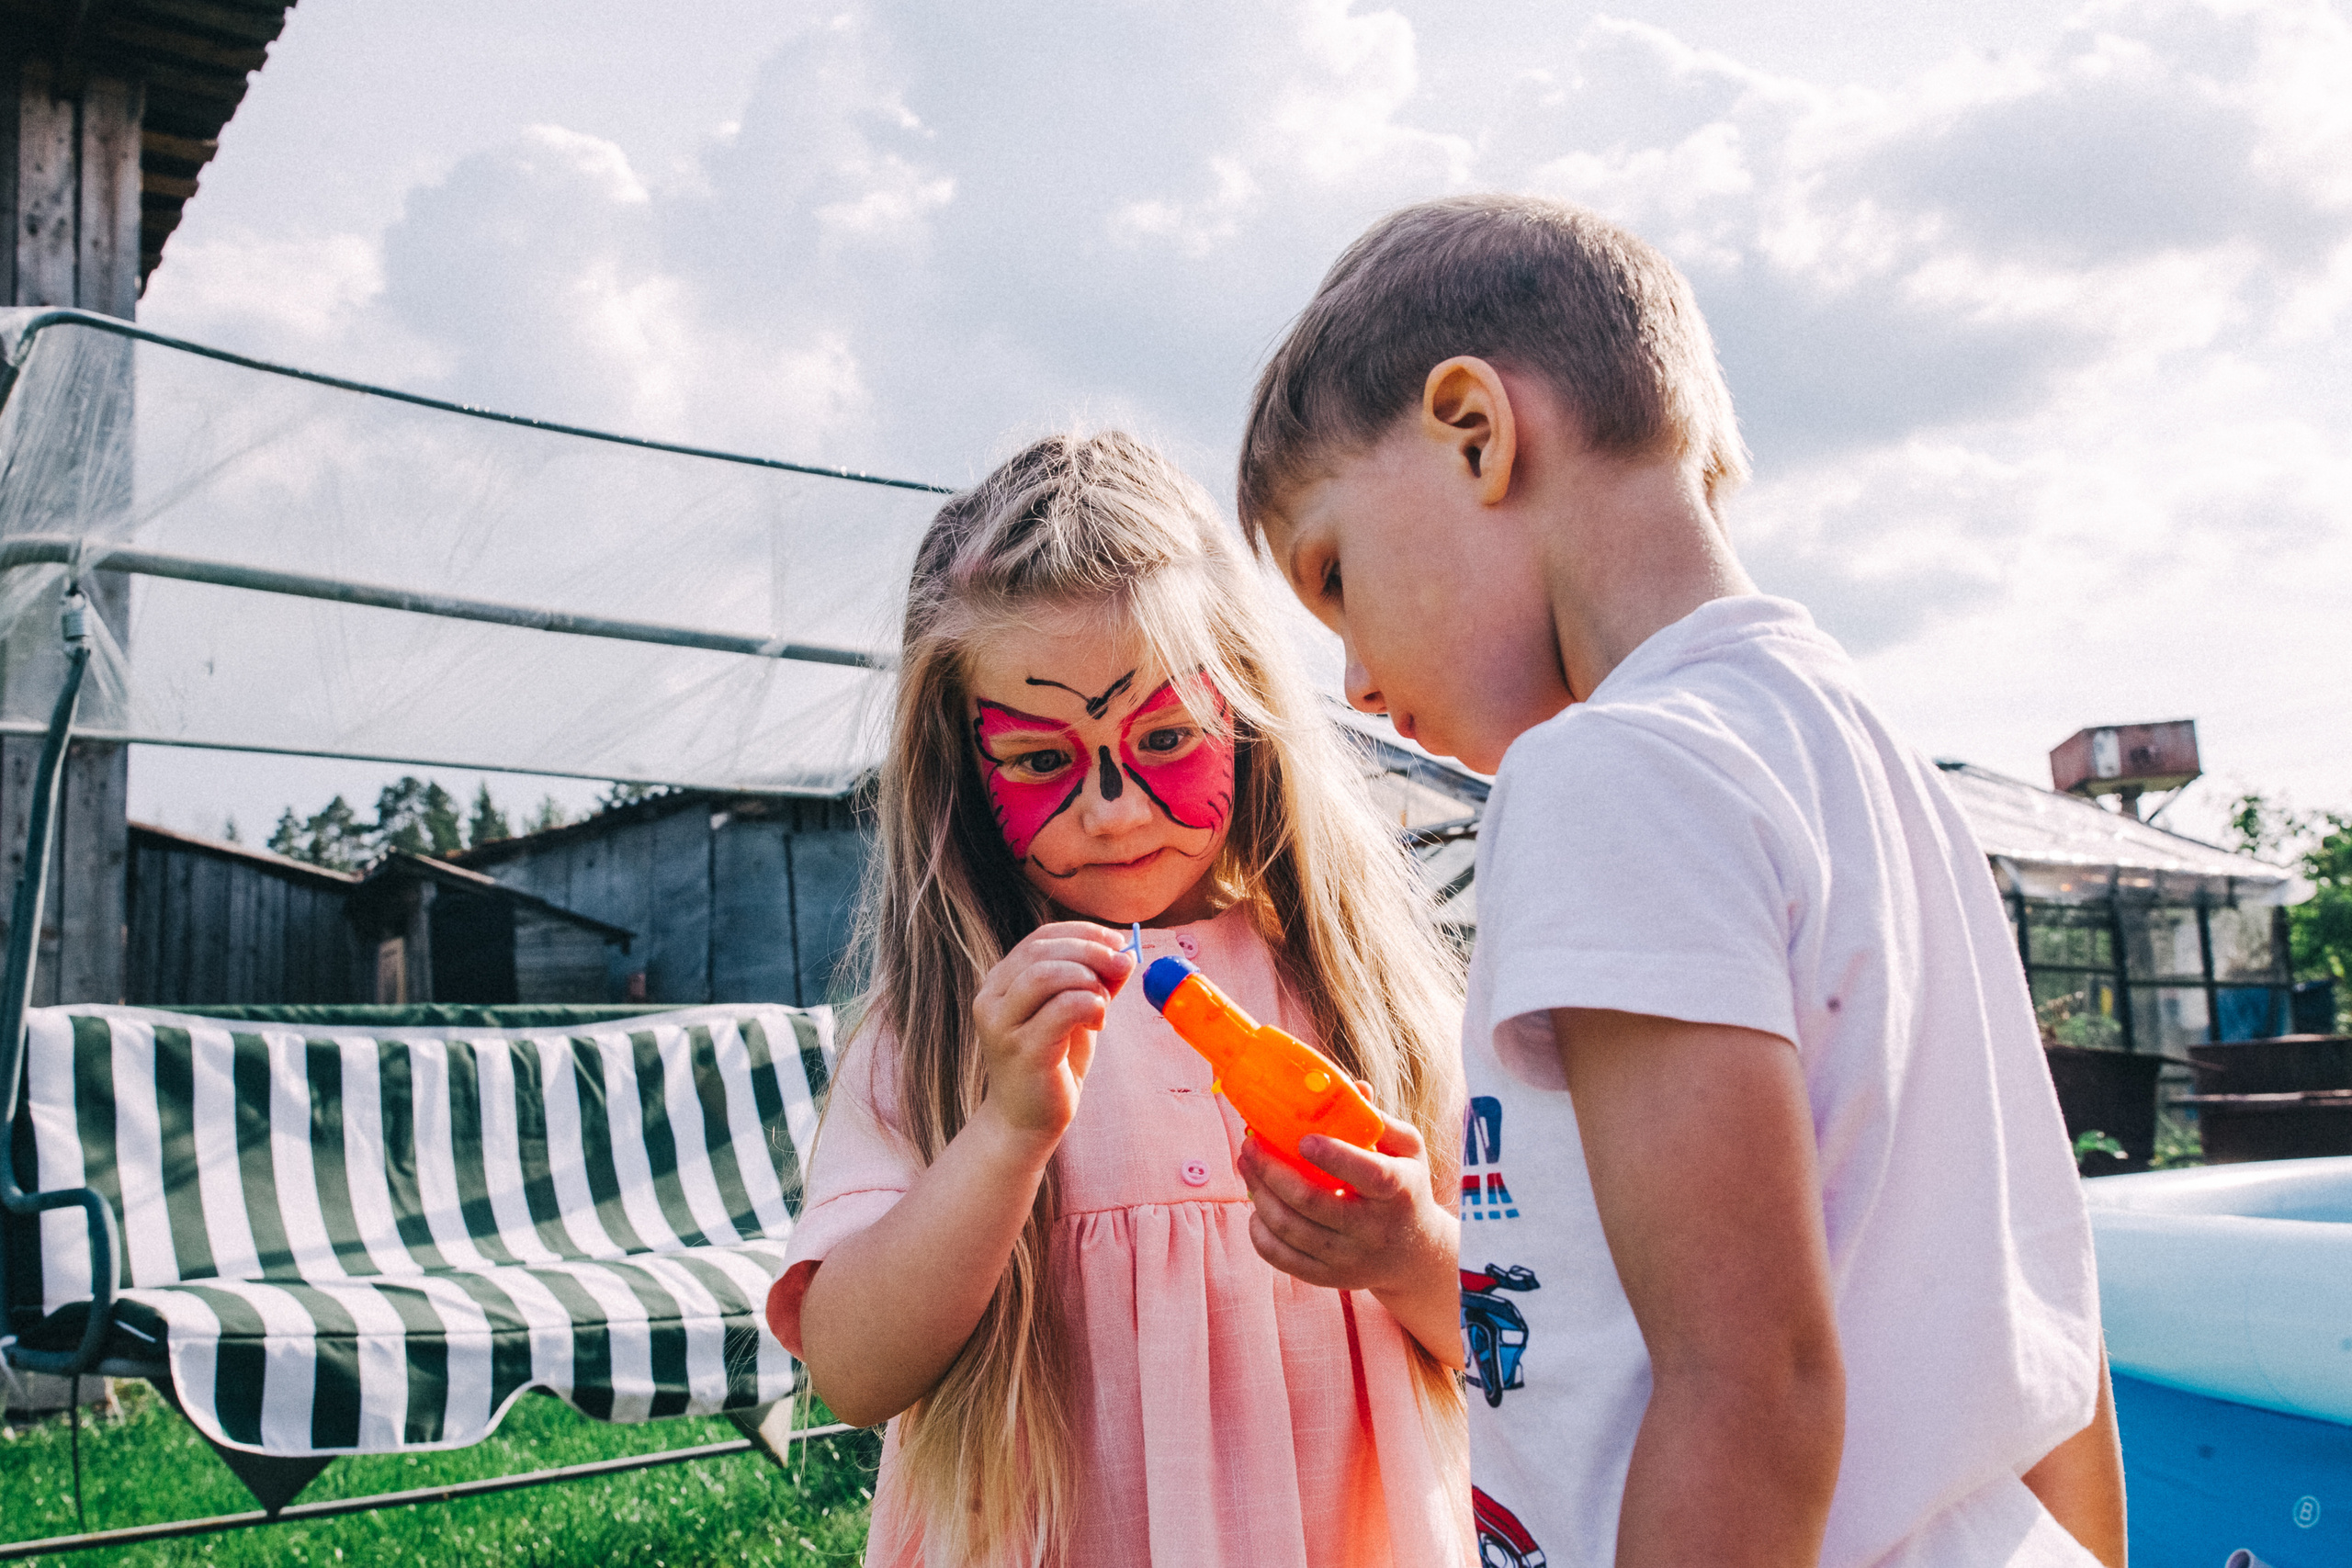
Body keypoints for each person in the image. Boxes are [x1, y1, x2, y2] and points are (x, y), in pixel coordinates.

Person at [1231, 195, 2127, 1568]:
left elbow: (1748, 1382)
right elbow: (2050, 1328)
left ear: (1474, 429)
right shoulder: (1875, 766)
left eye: (1335, 573)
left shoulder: (1613, 772)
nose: (1351, 679)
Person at [765, 432, 1470, 1568]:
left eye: (1166, 738)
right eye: (1043, 761)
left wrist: (1408, 1252)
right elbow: (849, 1375)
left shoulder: (1362, 1002)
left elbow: (1520, 1340)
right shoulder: (942, 1035)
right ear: (959, 764)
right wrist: (1005, 1133)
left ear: (1245, 722)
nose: (1111, 806)